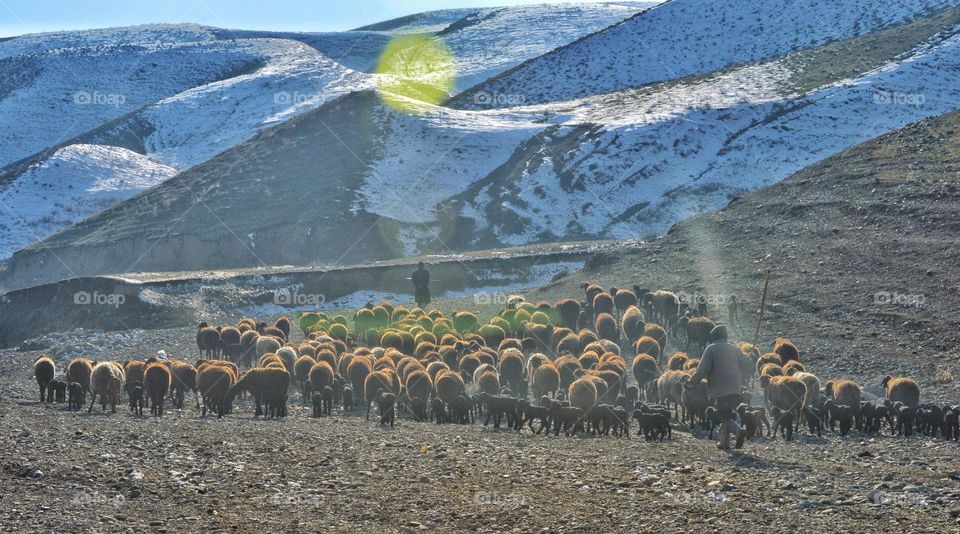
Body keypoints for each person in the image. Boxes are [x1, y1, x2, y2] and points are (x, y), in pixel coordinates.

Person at [685, 325, 746, 450]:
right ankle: (724, 443)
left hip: (720, 387)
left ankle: (738, 431)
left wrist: (691, 383)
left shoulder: (711, 349)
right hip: (735, 387)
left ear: (714, 336)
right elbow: (747, 365)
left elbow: (702, 369)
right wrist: (750, 358)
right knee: (727, 413)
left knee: (723, 415)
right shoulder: (735, 349)